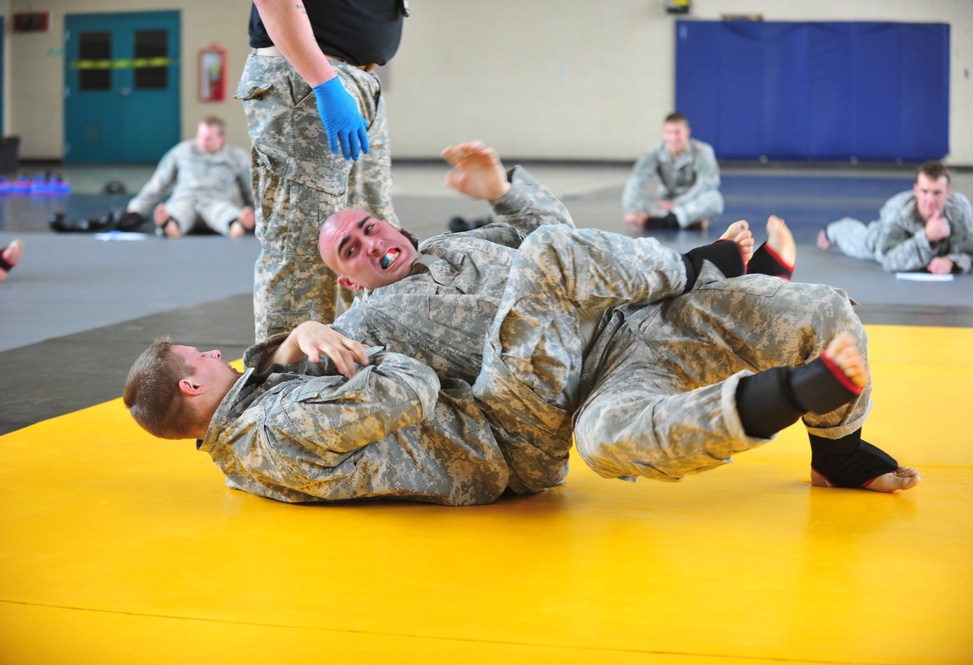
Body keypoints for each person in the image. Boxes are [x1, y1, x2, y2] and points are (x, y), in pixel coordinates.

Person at [320, 142, 918, 494]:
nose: (370, 244)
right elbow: (311, 379)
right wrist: (295, 340)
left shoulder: (467, 244)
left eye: (369, 228)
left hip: (644, 311)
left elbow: (559, 237)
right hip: (586, 388)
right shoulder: (367, 323)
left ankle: (837, 453)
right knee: (607, 441)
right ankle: (765, 370)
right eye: (352, 250)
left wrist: (501, 188)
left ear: (392, 226)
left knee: (823, 311)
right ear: (350, 281)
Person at [122, 321, 508, 506]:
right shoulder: (280, 423)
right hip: (499, 437)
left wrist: (297, 340)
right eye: (201, 357)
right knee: (550, 249)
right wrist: (350, 344)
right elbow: (413, 388)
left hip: (478, 441)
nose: (216, 354)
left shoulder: (232, 461)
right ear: (191, 387)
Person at [237, 0, 407, 342]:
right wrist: (325, 84)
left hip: (360, 81)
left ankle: (377, 363)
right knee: (304, 252)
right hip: (307, 79)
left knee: (376, 237)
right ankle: (286, 387)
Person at [817, 161, 973, 274]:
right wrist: (927, 237)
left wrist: (951, 263)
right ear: (916, 190)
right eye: (924, 192)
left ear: (948, 193)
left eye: (937, 193)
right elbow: (889, 261)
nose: (930, 200)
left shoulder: (959, 208)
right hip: (881, 241)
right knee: (861, 242)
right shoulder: (897, 211)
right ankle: (839, 228)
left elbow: (967, 252)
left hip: (927, 249)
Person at [125, 116, 255, 239]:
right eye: (200, 136)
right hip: (185, 200)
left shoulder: (237, 156)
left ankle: (237, 225)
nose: (203, 142)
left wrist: (261, 214)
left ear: (222, 137)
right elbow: (159, 182)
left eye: (209, 138)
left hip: (215, 202)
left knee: (227, 214)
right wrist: (136, 209)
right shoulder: (182, 151)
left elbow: (251, 188)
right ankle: (169, 225)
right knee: (175, 212)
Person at [622, 112, 724, 231]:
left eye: (677, 132)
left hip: (692, 200)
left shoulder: (703, 151)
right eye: (669, 133)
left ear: (687, 132)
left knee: (714, 200)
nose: (673, 138)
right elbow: (637, 179)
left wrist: (678, 204)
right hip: (665, 202)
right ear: (663, 133)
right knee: (638, 200)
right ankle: (687, 221)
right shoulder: (654, 152)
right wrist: (630, 209)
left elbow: (707, 184)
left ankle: (664, 221)